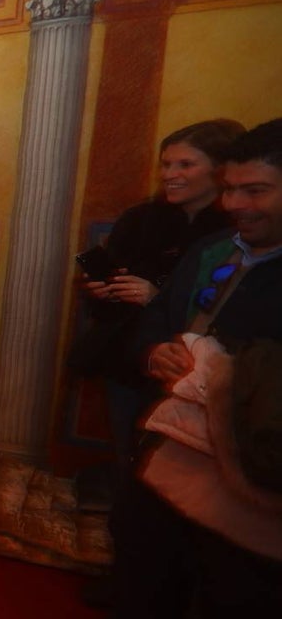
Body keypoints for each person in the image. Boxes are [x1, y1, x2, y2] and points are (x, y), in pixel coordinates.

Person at [46, 117, 282, 619]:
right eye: (230, 189)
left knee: (234, 584)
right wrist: (154, 353)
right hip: (176, 429)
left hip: (254, 451)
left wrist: (229, 371)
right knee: (147, 538)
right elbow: (157, 322)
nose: (235, 204)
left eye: (254, 191)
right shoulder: (214, 248)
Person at [68, 119, 244, 474]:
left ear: (220, 169)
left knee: (189, 470)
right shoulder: (139, 219)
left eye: (185, 164)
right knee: (130, 456)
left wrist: (158, 296)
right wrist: (102, 290)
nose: (169, 174)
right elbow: (109, 293)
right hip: (129, 357)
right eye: (166, 164)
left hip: (201, 371)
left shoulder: (236, 230)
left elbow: (236, 306)